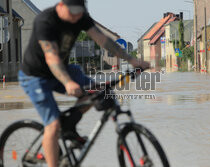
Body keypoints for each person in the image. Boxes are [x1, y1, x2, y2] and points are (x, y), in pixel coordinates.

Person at [18, 0, 149, 166]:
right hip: (35, 76)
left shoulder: (81, 17)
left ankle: (69, 126)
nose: (75, 16)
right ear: (60, 5)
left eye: (79, 11)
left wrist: (132, 60)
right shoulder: (45, 21)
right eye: (71, 11)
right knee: (53, 124)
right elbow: (51, 57)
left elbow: (104, 40)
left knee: (98, 92)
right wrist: (68, 83)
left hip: (64, 69)